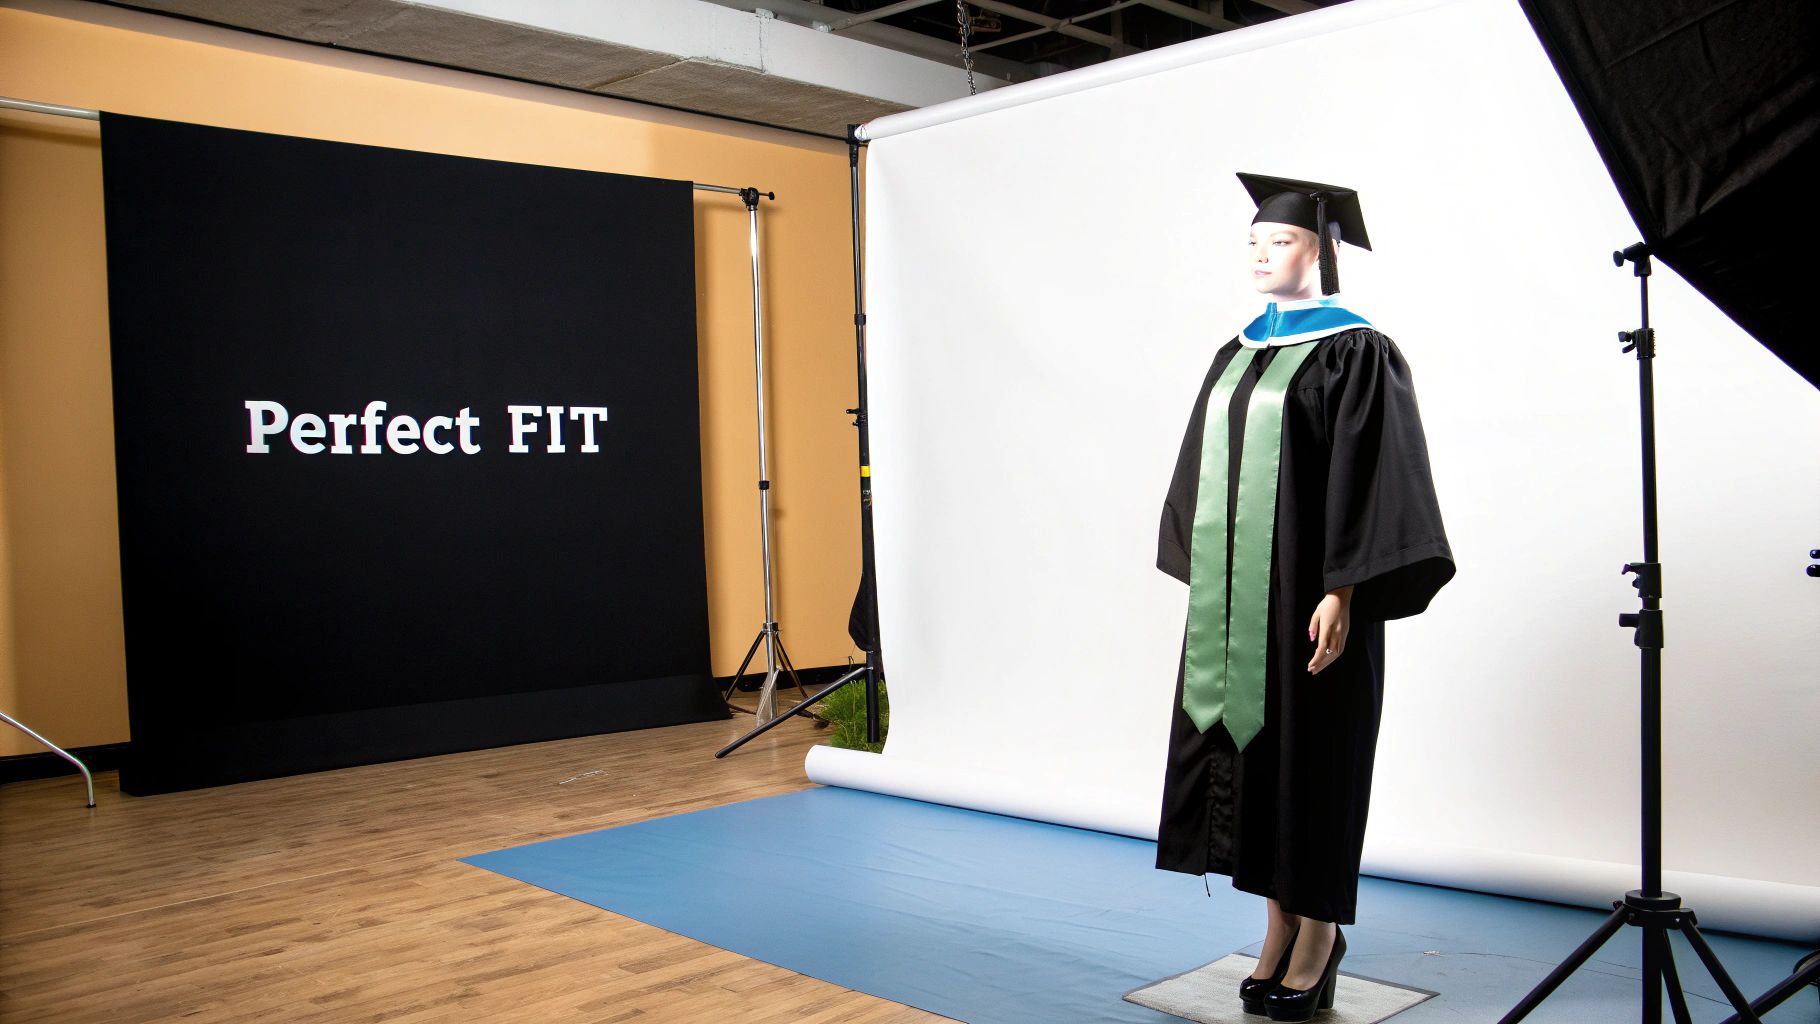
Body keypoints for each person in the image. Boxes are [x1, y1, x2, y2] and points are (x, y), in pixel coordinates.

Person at [1153, 173, 1455, 1022]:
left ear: (1320, 251)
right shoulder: (1240, 350)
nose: (1260, 255)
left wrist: (1344, 589)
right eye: (1252, 242)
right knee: (1256, 762)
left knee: (1316, 762)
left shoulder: (1359, 349)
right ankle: (1277, 926)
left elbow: (1375, 480)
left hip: (1319, 601)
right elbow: (1202, 476)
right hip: (1236, 602)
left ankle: (1319, 932)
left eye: (1279, 242)